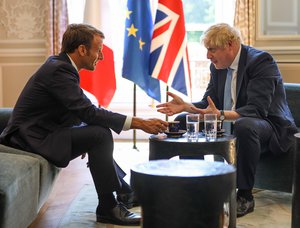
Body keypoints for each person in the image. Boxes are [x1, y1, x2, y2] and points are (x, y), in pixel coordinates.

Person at [0, 23, 168, 226]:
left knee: (96, 133)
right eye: (98, 50)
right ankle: (108, 207)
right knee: (99, 135)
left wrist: (80, 131)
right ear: (81, 49)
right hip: (29, 138)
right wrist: (139, 123)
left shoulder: (61, 66)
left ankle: (125, 193)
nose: (102, 56)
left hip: (42, 131)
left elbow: (75, 109)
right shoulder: (59, 70)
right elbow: (87, 112)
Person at [156, 23, 298, 217]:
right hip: (230, 120)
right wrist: (186, 106)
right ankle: (198, 185)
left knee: (245, 126)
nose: (208, 56)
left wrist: (220, 115)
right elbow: (209, 103)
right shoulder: (218, 67)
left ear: (230, 45)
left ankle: (245, 196)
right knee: (183, 119)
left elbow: (256, 110)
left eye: (212, 50)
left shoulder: (261, 61)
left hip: (268, 125)